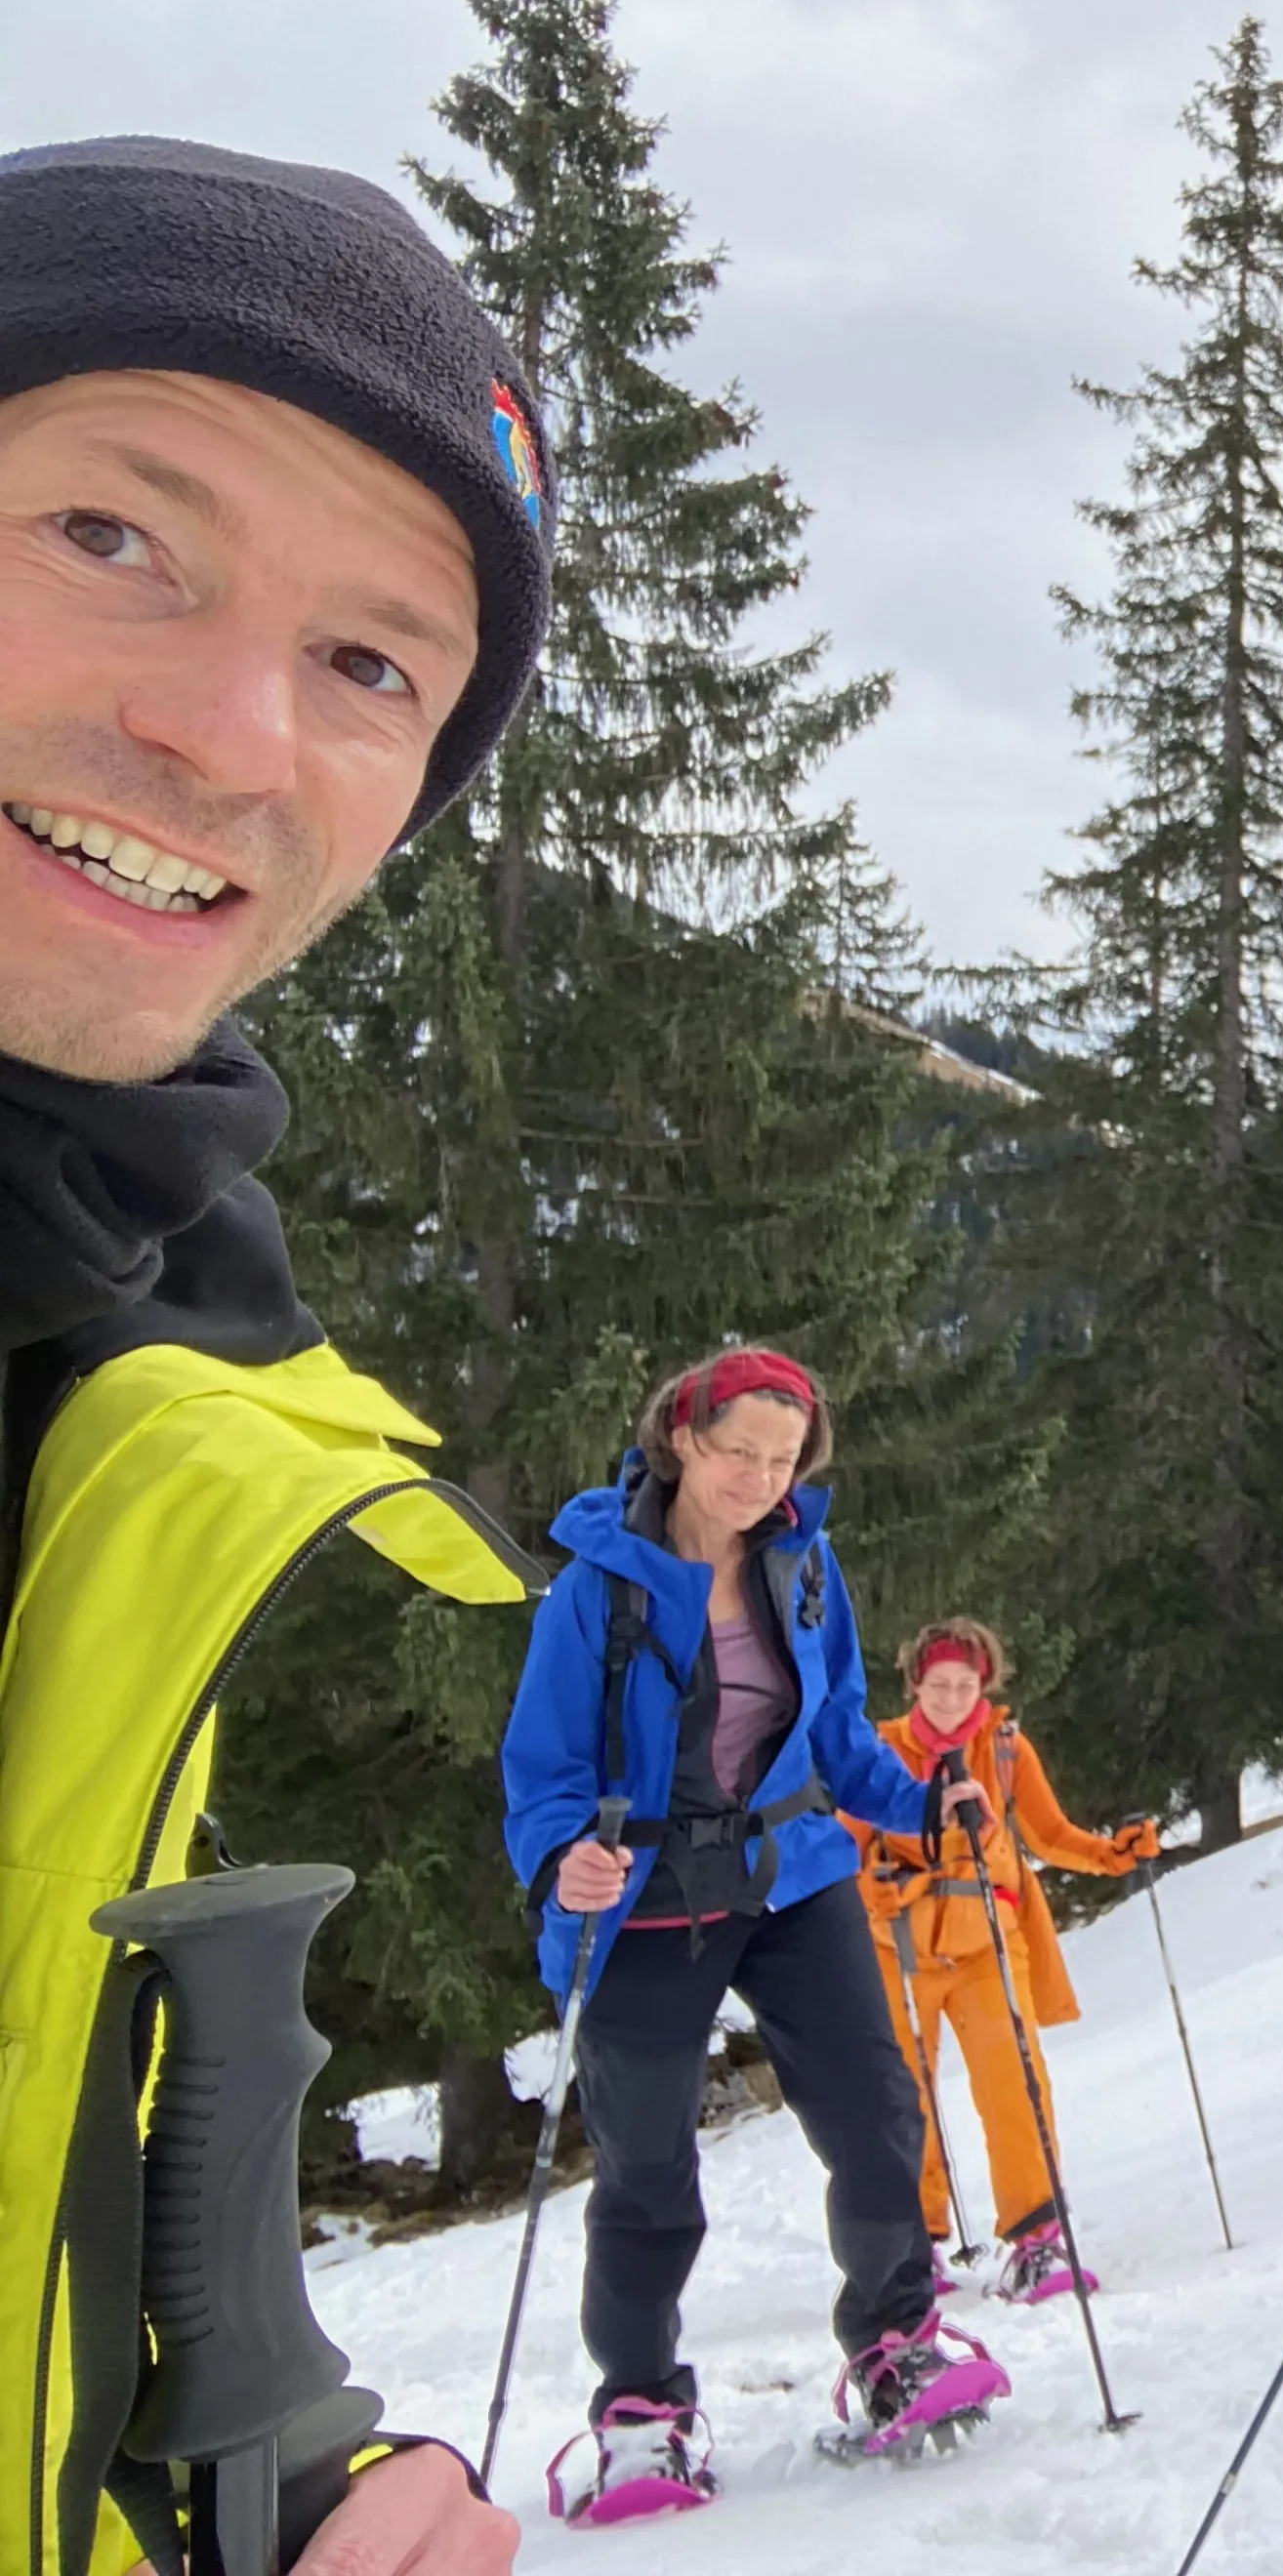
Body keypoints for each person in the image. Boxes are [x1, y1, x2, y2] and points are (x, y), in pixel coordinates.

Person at [0, 135, 571, 2576]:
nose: (231, 738)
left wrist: (268, 2470)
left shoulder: (146, 1393)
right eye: (115, 534)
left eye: (371, 667)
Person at [499, 1348, 1008, 2518]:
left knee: (876, 2114)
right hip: (645, 1899)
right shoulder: (596, 1588)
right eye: (742, 1454)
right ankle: (641, 2410)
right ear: (683, 1439)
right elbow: (543, 1768)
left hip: (791, 1876)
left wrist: (918, 1805)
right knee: (646, 2164)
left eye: (784, 1459)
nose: (762, 1478)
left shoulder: (804, 1561)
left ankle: (895, 2344)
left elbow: (833, 1733)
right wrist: (558, 1856)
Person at [852, 1615, 1161, 2304]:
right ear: (915, 1683)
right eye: (939, 1685)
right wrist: (867, 1888)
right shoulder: (879, 1750)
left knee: (1016, 2084)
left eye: (965, 1685)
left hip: (991, 1942)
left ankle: (1035, 2240)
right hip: (899, 1950)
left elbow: (1048, 1834)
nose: (953, 1698)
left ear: (984, 1683)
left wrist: (1113, 1854)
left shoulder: (1009, 1749)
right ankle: (914, 2247)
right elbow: (845, 1848)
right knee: (902, 2100)